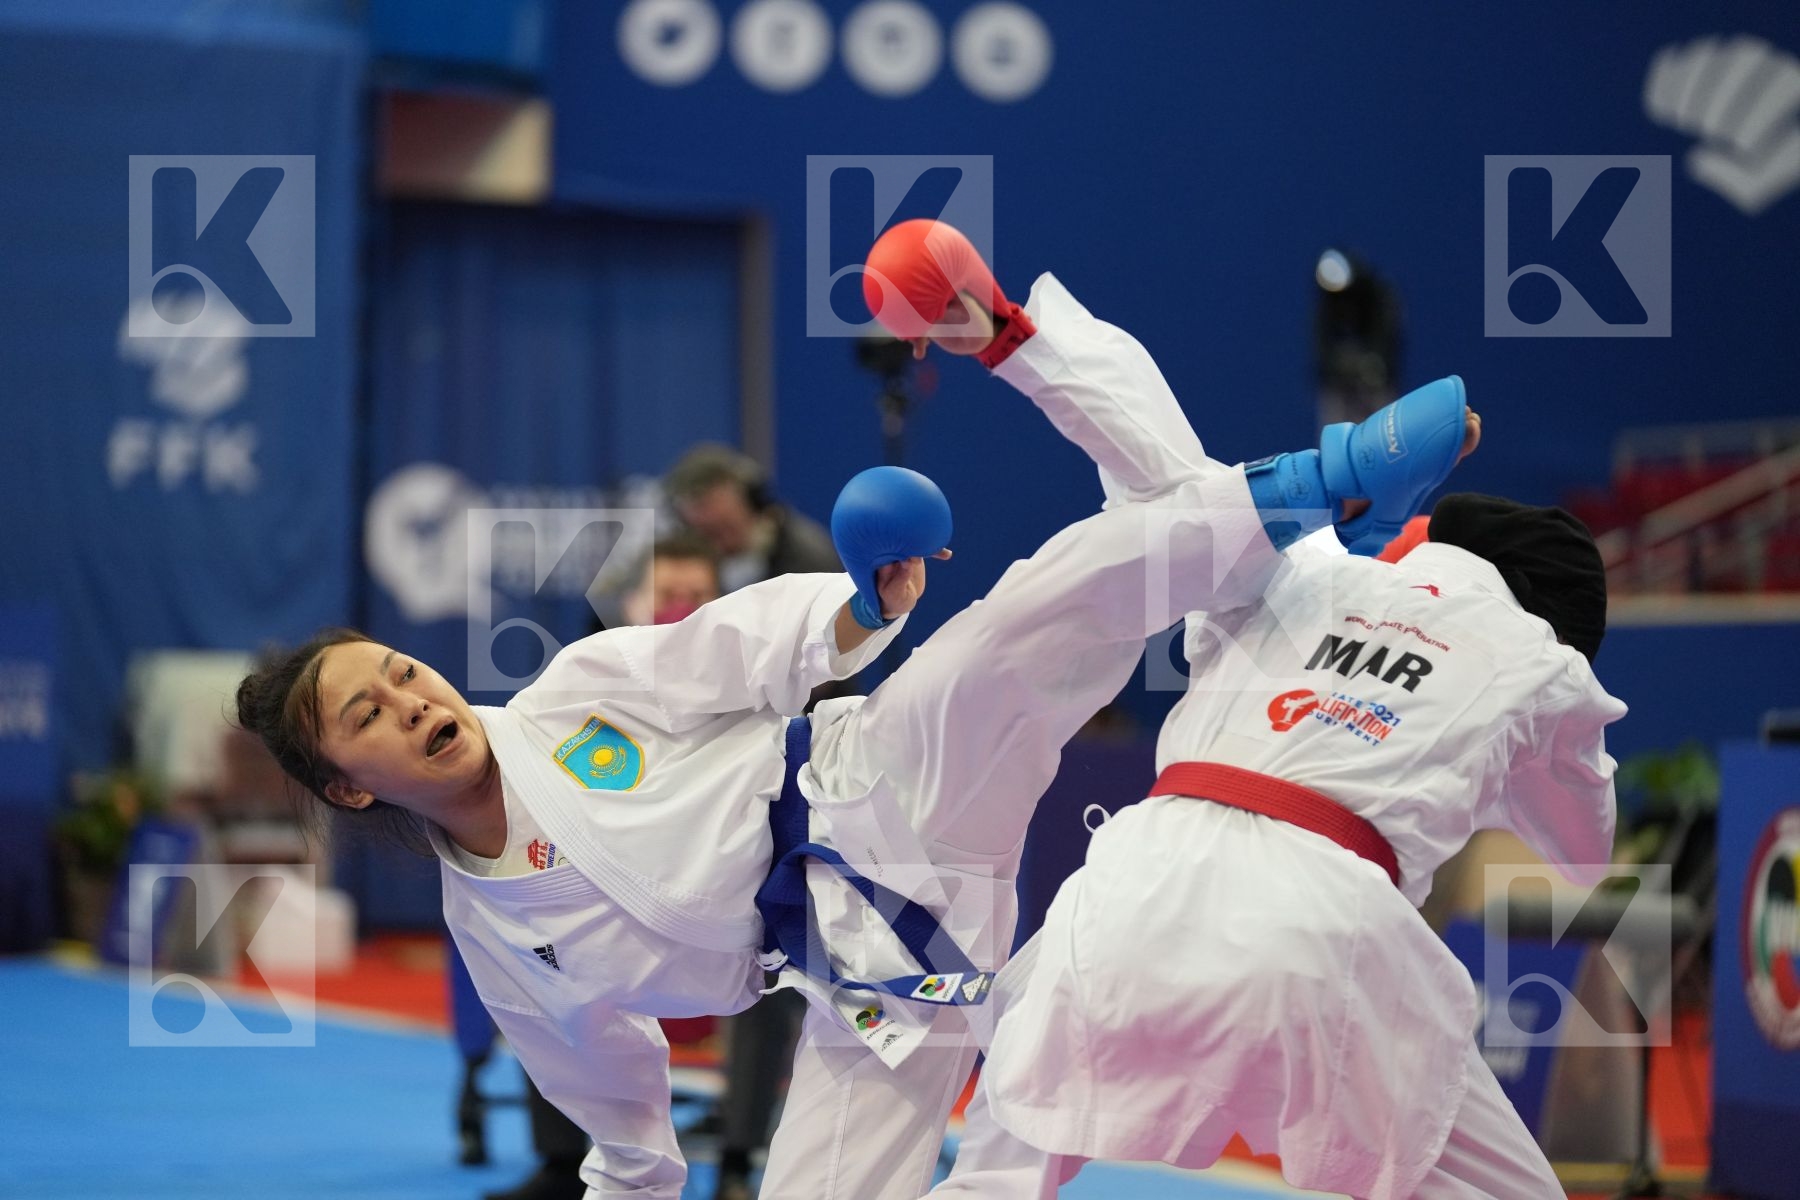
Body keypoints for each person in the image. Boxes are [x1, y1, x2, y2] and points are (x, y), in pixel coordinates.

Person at [234, 223, 1472, 1200]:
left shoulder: (564, 703)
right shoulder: (505, 944)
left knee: (1037, 612)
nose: (410, 699)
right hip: (861, 978)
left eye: (397, 671)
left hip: (869, 781)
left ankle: (1330, 477)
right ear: (349, 783)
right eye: (368, 715)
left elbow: (719, 655)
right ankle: (1038, 349)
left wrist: (851, 616)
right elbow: (618, 1112)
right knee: (1156, 517)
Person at [861, 222, 1624, 1200]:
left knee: (998, 1161)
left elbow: (1165, 465)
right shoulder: (1545, 665)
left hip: (1135, 890)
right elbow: (1583, 858)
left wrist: (1011, 336)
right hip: (1332, 934)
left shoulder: (1303, 567)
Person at [486, 533, 730, 1200]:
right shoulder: (572, 693)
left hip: (725, 915)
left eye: (696, 598)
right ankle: (564, 1162)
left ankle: (738, 1159)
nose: (680, 611)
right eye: (666, 596)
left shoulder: (751, 692)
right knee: (533, 948)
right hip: (603, 908)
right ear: (627, 604)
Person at [664, 444, 840, 593]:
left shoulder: (807, 558)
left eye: (724, 526)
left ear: (752, 501)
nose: (716, 543)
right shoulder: (678, 567)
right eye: (706, 532)